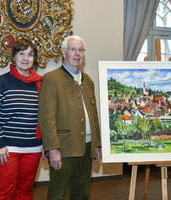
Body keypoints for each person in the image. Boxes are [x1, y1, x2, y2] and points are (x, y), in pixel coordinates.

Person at [38, 35, 101, 200]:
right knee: (57, 194)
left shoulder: (88, 81)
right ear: (64, 52)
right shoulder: (51, 79)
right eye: (73, 49)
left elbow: (94, 116)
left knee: (82, 193)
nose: (77, 54)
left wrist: (97, 144)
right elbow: (46, 118)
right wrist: (52, 149)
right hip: (63, 148)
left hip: (87, 147)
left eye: (81, 50)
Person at [0, 39, 43, 200]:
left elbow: (45, 116)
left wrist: (46, 144)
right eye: (21, 54)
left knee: (25, 193)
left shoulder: (40, 83)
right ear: (14, 57)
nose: (26, 58)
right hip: (6, 149)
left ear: (34, 58)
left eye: (30, 54)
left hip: (33, 149)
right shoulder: (1, 82)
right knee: (3, 193)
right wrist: (0, 143)